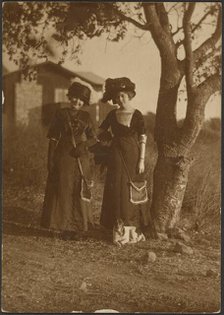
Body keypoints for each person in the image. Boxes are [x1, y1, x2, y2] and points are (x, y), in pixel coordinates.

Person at [40, 81, 97, 239]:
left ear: (84, 102)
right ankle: (63, 227)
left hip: (80, 158)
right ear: (70, 97)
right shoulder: (60, 114)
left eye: (81, 100)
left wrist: (83, 146)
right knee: (63, 190)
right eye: (74, 98)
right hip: (63, 156)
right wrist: (50, 160)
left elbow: (94, 139)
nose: (76, 102)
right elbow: (52, 138)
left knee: (78, 190)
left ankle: (78, 228)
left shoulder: (86, 117)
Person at [98, 77, 149, 240]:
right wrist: (104, 140)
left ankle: (133, 231)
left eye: (123, 95)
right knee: (116, 188)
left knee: (131, 188)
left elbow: (142, 137)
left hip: (133, 154)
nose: (120, 99)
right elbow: (101, 132)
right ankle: (117, 230)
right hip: (116, 155)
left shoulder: (137, 114)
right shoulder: (113, 114)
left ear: (130, 95)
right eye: (118, 96)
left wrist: (141, 159)